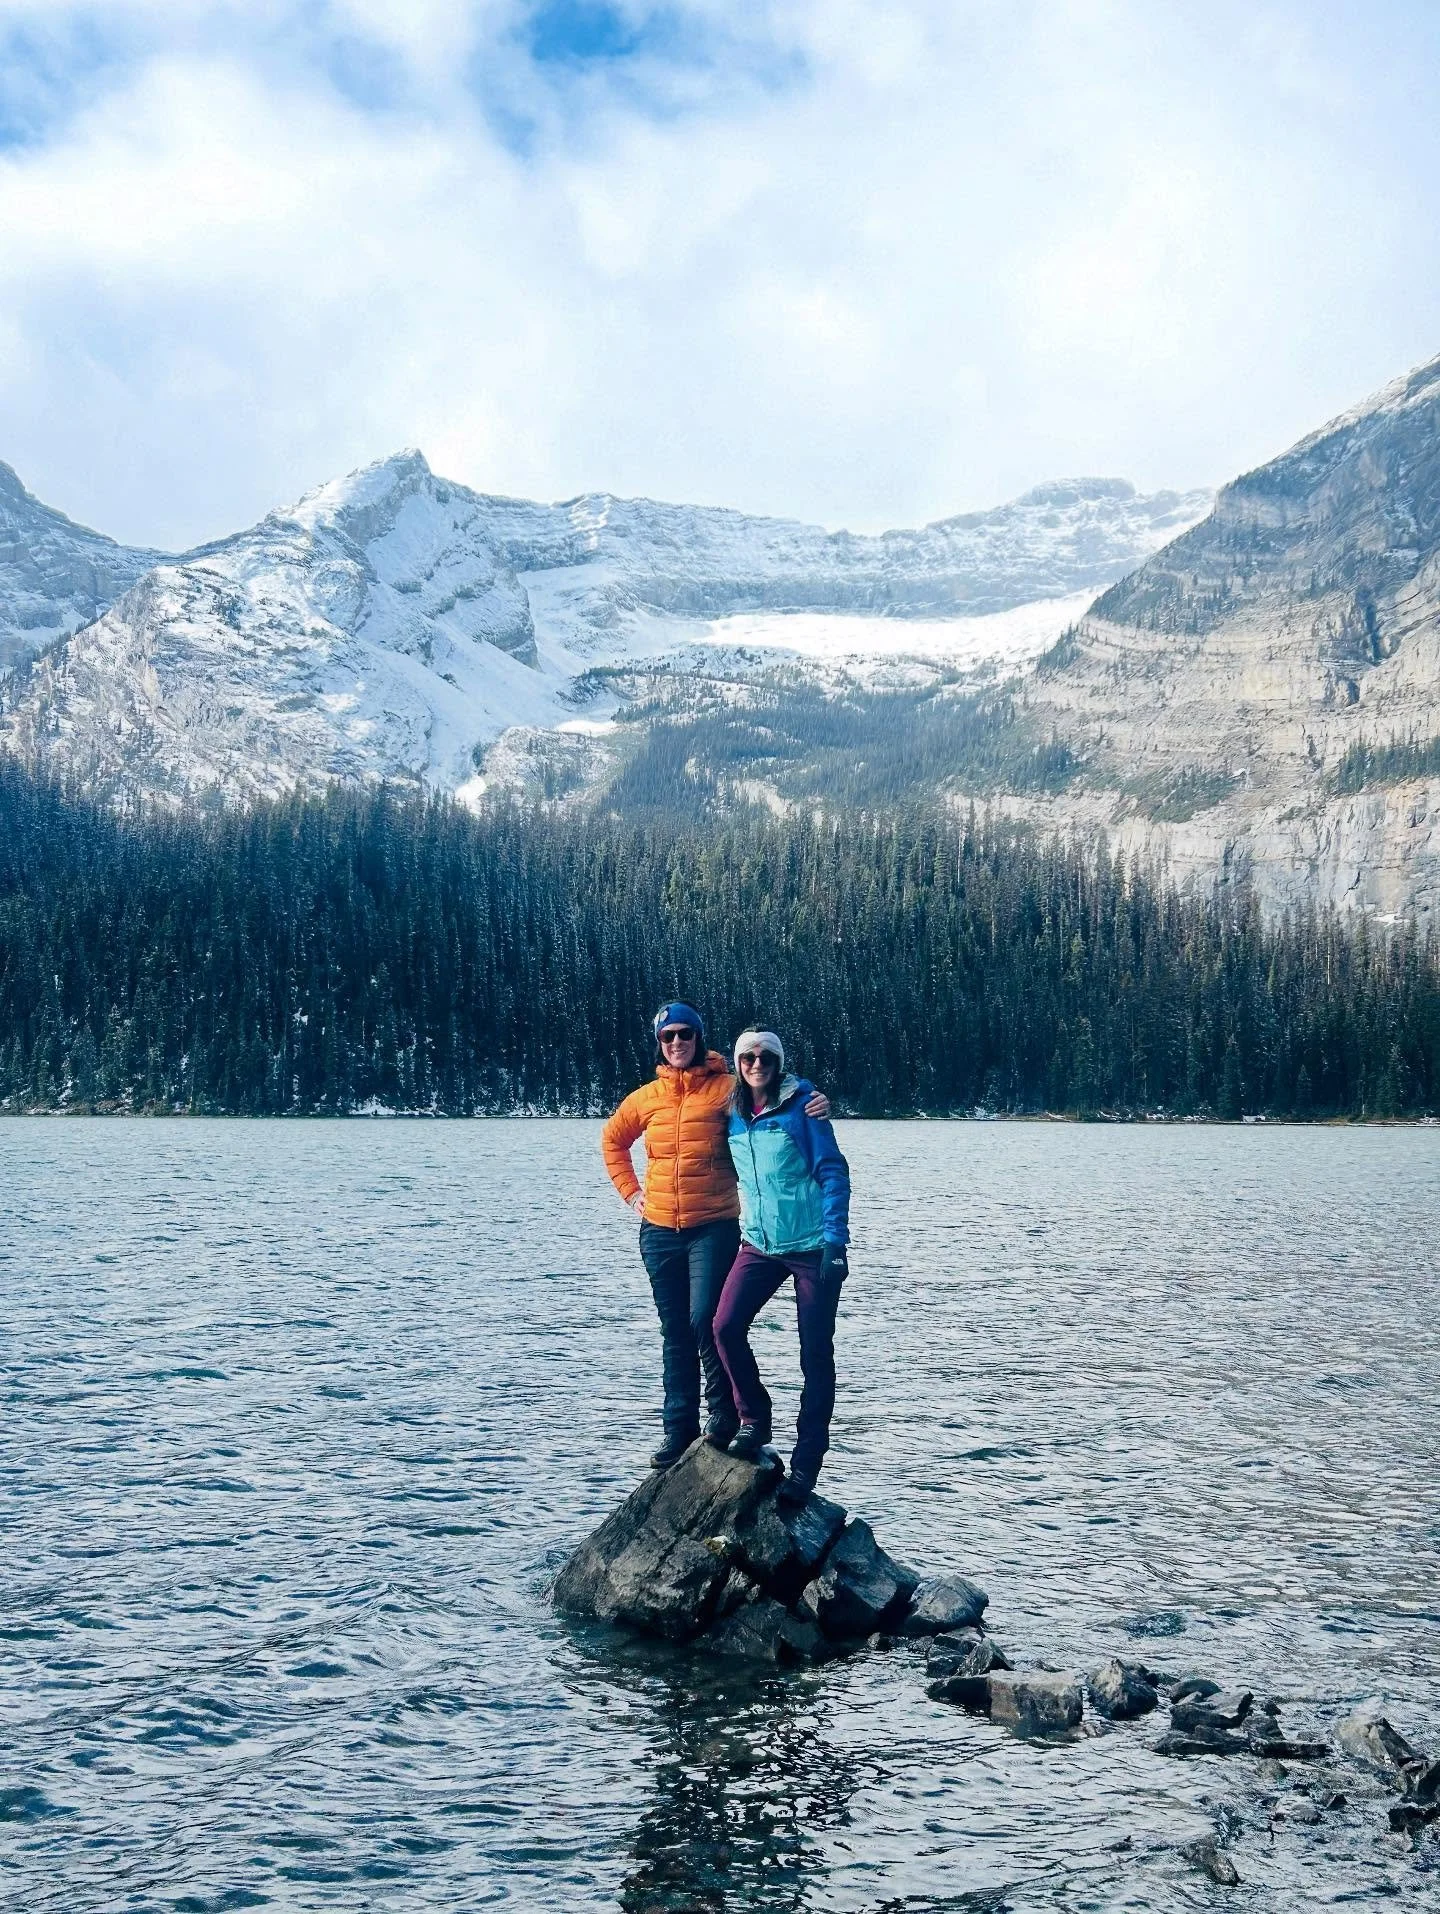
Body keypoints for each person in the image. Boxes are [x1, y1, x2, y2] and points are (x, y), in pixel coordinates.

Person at [601, 1001, 829, 1470]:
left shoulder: (726, 1089)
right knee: (675, 1333)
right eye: (668, 1037)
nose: (678, 1043)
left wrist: (816, 1099)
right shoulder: (646, 1098)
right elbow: (613, 1141)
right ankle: (678, 1432)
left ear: (699, 1037)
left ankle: (725, 1418)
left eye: (685, 1034)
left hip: (715, 1227)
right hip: (660, 1230)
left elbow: (772, 1090)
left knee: (707, 1319)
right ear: (660, 1044)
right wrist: (631, 1193)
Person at [713, 1028, 850, 1507]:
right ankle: (754, 1419)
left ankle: (806, 1466)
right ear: (737, 1063)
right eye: (746, 1057)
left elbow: (834, 1173)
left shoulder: (802, 1108)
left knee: (814, 1356)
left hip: (813, 1247)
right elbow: (689, 1072)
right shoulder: (731, 1112)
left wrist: (836, 1242)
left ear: (778, 1061)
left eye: (765, 1056)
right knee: (725, 1326)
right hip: (759, 1244)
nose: (755, 1064)